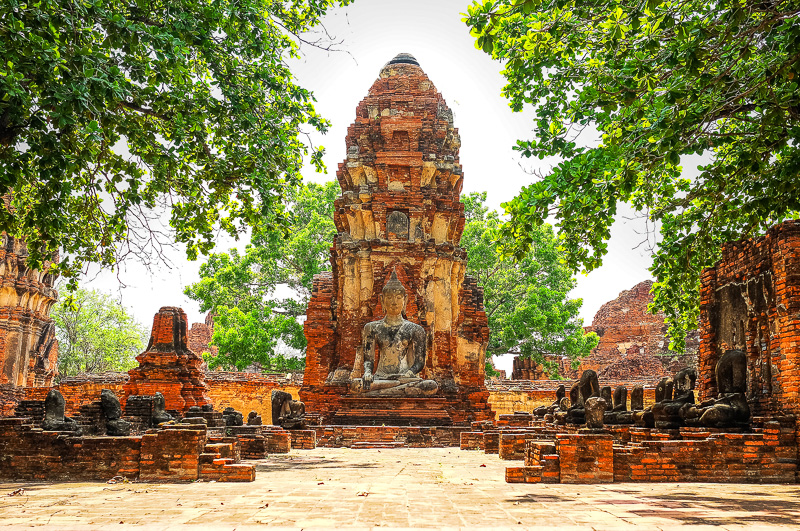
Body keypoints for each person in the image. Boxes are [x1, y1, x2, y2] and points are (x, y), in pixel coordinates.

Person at [350, 270, 438, 397]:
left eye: (398, 297)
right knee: (356, 385)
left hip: (405, 378)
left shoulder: (416, 329)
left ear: (405, 300)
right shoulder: (372, 328)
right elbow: (368, 359)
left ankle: (380, 394)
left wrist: (407, 374)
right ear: (382, 299)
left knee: (430, 386)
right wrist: (368, 373)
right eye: (389, 297)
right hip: (381, 378)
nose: (394, 302)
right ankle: (392, 391)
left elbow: (419, 363)